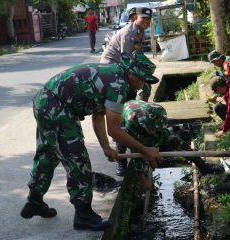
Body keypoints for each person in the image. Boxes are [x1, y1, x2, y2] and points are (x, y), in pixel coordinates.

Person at [20, 50, 160, 231]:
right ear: (131, 73)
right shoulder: (119, 85)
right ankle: (83, 215)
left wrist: (105, 148)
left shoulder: (114, 74)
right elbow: (115, 130)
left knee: (48, 154)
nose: (141, 85)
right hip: (57, 108)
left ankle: (34, 201)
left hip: (46, 101)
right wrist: (145, 150)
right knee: (78, 161)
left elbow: (98, 115)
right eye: (140, 79)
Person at [119, 100, 224, 187]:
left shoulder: (158, 115)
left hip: (145, 119)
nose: (154, 132)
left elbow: (160, 135)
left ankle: (204, 167)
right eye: (152, 129)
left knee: (176, 141)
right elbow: (135, 149)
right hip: (124, 119)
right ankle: (121, 162)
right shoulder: (131, 122)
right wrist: (142, 179)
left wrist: (154, 153)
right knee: (122, 141)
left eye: (156, 129)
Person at [100, 7, 153, 176]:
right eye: (143, 18)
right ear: (134, 18)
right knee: (119, 119)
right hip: (113, 72)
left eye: (148, 20)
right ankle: (121, 161)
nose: (146, 22)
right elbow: (126, 60)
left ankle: (136, 125)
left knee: (140, 96)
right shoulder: (129, 33)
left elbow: (137, 57)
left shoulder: (140, 31)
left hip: (124, 71)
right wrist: (132, 83)